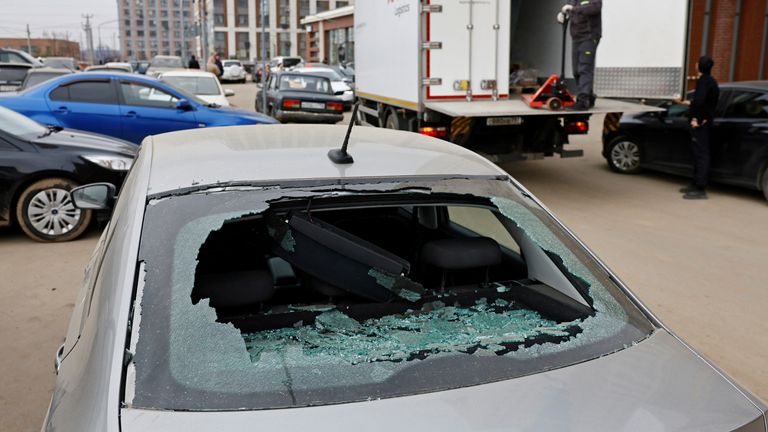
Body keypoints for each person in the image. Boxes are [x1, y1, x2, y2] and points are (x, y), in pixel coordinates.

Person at [674, 56, 719, 199]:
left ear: (698, 66)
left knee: (701, 155)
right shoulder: (711, 82)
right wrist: (684, 102)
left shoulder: (704, 82)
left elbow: (700, 103)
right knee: (698, 154)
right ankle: (695, 183)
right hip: (705, 122)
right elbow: (701, 103)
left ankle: (700, 188)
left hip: (701, 125)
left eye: (697, 62)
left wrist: (696, 120)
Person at [557, 0, 602, 110]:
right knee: (576, 71)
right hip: (576, 37)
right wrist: (563, 15)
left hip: (589, 36)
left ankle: (583, 101)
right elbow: (570, 10)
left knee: (584, 68)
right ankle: (589, 96)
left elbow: (595, 8)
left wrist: (573, 9)